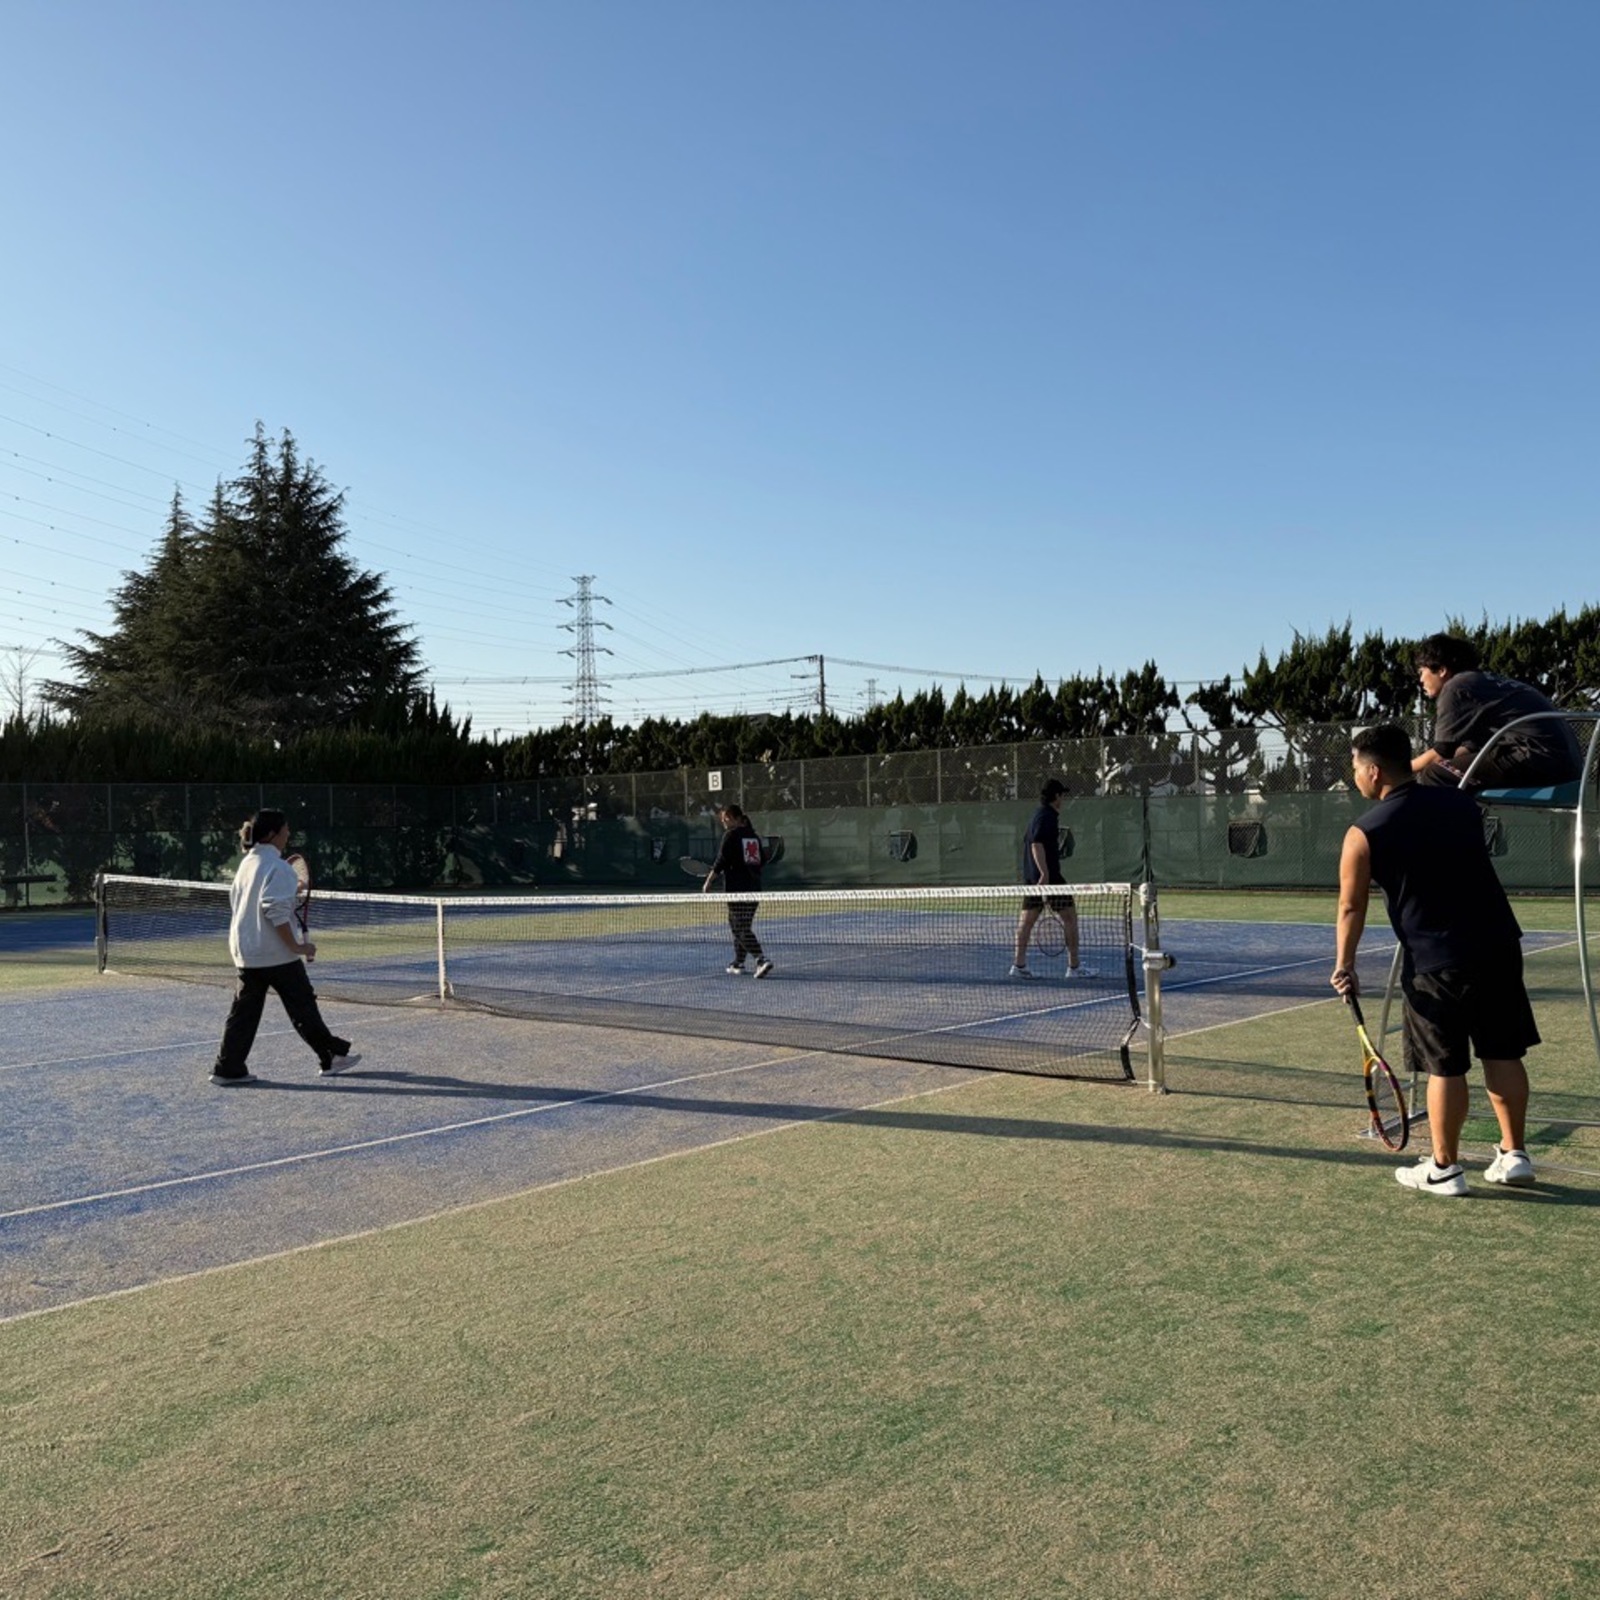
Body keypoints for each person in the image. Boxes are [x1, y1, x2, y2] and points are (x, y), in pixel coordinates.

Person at [1332, 724, 1539, 1196]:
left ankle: (1444, 1167)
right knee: (1502, 1051)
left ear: (1374, 770)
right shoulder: (1463, 806)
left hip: (1435, 962)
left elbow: (1351, 906)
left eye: (1356, 769)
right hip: (1499, 946)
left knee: (1446, 1066)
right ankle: (1514, 1154)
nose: (1355, 778)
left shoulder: (1364, 833)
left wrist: (1344, 964)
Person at [211, 809, 361, 1084]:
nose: (288, 834)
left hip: (246, 952)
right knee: (303, 1006)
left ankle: (227, 1068)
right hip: (276, 955)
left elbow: (258, 901)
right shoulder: (278, 868)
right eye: (285, 830)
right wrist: (298, 947)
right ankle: (331, 1056)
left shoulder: (247, 864)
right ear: (272, 834)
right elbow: (275, 911)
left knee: (243, 1014)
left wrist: (294, 888)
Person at [1411, 633, 1582, 790]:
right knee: (1450, 769)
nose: (1420, 680)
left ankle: (1457, 823)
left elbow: (1440, 754)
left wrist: (1395, 770)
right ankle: (1468, 820)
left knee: (1435, 773)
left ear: (1441, 670)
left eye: (1422, 671)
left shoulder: (1455, 687)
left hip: (1538, 759)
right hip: (1569, 763)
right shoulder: (1484, 684)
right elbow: (1466, 749)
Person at [1010, 778, 1094, 981]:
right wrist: (1045, 875)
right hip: (1050, 879)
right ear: (1056, 796)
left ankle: (1018, 965)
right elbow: (1036, 844)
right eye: (1062, 795)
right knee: (1070, 918)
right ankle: (1074, 968)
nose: (1063, 799)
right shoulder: (1047, 816)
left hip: (1032, 879)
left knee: (1026, 922)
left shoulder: (1037, 816)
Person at [703, 801, 773, 978]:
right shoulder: (754, 837)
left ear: (736, 819)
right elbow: (762, 861)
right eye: (723, 820)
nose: (724, 823)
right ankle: (739, 962)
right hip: (754, 889)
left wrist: (708, 882)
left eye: (727, 819)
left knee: (738, 927)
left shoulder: (731, 835)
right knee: (742, 926)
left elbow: (721, 861)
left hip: (737, 891)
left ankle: (761, 959)